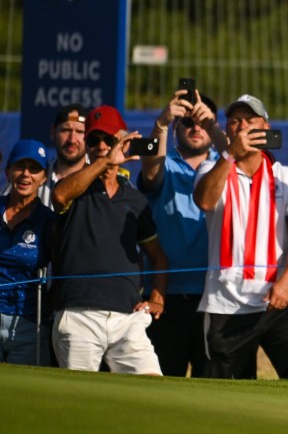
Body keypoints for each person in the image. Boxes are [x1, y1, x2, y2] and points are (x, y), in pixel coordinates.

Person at [193, 94, 288, 380]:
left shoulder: (285, 176)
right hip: (226, 304)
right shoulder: (211, 168)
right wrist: (229, 155)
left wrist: (286, 283)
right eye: (235, 121)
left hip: (277, 299)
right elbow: (204, 201)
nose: (242, 126)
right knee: (227, 394)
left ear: (266, 128)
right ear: (227, 129)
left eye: (250, 120)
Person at [50, 105, 168, 374]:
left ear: (122, 141)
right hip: (78, 314)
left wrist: (157, 297)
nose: (101, 146)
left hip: (128, 317)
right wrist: (106, 161)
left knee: (152, 387)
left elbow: (158, 256)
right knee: (77, 395)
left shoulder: (135, 199)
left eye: (109, 140)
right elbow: (59, 196)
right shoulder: (75, 186)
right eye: (94, 140)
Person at [137, 88, 227, 377]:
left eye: (204, 122)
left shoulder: (226, 164)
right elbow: (150, 170)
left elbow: (239, 154)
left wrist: (215, 128)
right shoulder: (164, 160)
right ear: (176, 128)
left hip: (216, 296)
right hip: (165, 296)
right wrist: (161, 123)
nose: (196, 128)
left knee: (211, 388)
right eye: (187, 122)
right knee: (161, 387)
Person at [0, 140, 56, 365]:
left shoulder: (48, 220)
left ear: (44, 178)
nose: (26, 174)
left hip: (28, 323)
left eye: (34, 169)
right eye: (19, 167)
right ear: (8, 172)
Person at [2, 104, 87, 206]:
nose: (72, 140)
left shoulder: (99, 179)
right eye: (65, 130)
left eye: (80, 131)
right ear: (53, 132)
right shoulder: (33, 176)